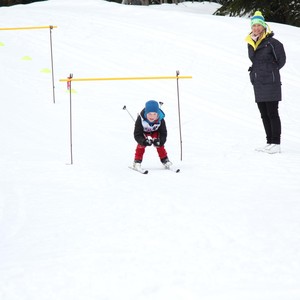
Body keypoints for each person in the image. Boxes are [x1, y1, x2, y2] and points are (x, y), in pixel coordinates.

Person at [245, 11, 286, 154]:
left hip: (271, 82)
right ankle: (269, 142)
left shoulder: (272, 43)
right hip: (259, 83)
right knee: (263, 114)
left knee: (272, 112)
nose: (256, 28)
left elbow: (281, 61)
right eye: (254, 25)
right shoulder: (251, 43)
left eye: (258, 25)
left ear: (264, 26)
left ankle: (276, 143)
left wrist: (270, 71)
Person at [132, 100, 172, 169]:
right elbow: (137, 134)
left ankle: (165, 160)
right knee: (141, 145)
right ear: (146, 113)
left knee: (159, 144)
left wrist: (160, 141)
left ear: (158, 114)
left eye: (154, 114)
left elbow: (163, 133)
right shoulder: (140, 119)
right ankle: (137, 161)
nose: (152, 116)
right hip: (144, 132)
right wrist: (143, 141)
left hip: (155, 131)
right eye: (150, 114)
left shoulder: (160, 119)